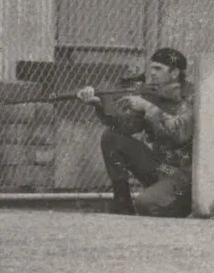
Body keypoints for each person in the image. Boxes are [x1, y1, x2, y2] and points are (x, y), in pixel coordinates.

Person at [80, 47, 195, 216]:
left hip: (183, 175)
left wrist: (148, 108)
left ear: (175, 72)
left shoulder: (193, 97)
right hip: (160, 167)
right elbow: (127, 127)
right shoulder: (154, 95)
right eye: (152, 68)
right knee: (111, 137)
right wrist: (99, 104)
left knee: (145, 204)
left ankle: (182, 205)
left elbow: (180, 134)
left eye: (158, 68)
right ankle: (122, 203)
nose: (152, 73)